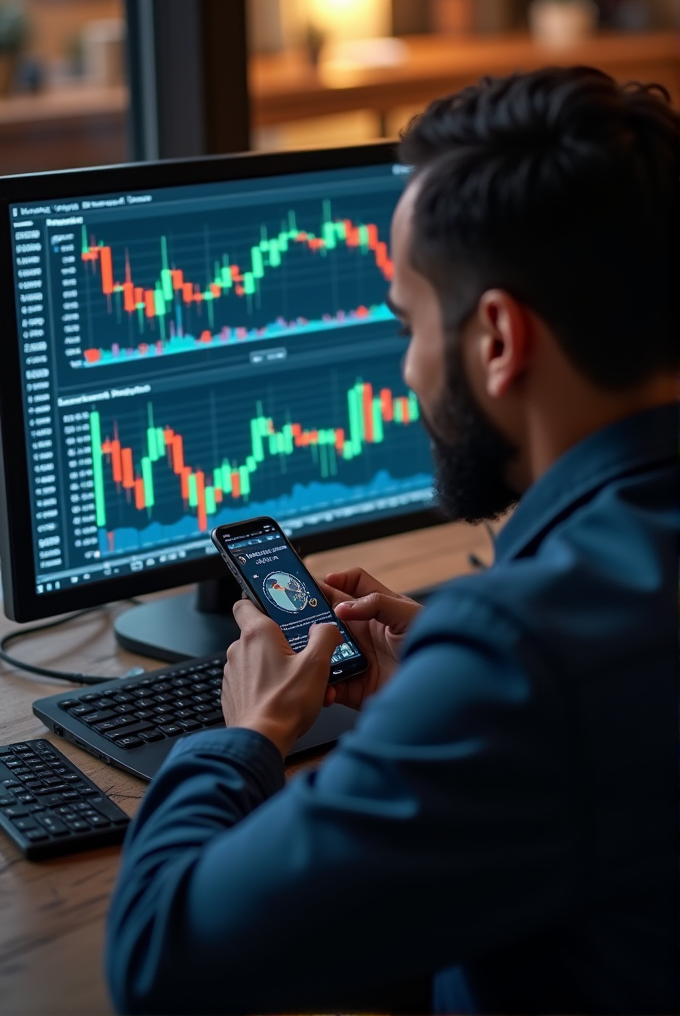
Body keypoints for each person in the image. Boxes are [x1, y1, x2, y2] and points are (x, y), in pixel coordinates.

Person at [106, 66, 679, 1015]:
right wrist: (445, 667)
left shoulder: (524, 660)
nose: (406, 369)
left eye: (408, 324)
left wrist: (246, 735)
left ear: (497, 340)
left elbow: (160, 959)